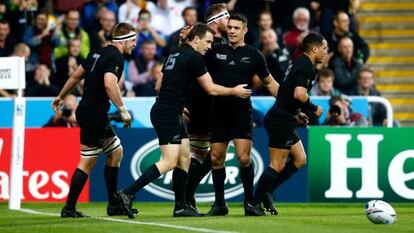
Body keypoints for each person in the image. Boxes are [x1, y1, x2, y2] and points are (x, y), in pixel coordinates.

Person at [115, 23, 252, 218]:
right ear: (196, 39)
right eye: (207, 41)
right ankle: (127, 193)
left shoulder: (175, 53)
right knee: (169, 161)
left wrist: (177, 104)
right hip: (168, 113)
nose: (210, 46)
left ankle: (181, 206)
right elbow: (211, 89)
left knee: (185, 158)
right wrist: (234, 91)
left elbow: (159, 86)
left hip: (169, 110)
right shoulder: (194, 57)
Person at [52, 22, 136, 218]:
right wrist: (123, 110)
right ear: (123, 41)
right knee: (87, 162)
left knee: (116, 152)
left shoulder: (96, 53)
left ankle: (113, 205)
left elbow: (75, 77)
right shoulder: (116, 57)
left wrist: (60, 96)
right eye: (133, 41)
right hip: (95, 114)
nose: (134, 45)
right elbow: (109, 83)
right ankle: (69, 208)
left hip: (90, 111)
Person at [206, 13, 279, 216]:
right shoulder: (214, 52)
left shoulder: (254, 55)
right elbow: (200, 76)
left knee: (244, 158)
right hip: (218, 112)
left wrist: (290, 105)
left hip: (241, 113)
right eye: (229, 27)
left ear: (245, 30)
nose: (231, 31)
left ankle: (250, 203)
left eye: (236, 28)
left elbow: (271, 84)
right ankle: (220, 204)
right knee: (215, 159)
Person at [251, 33, 326, 215]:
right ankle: (253, 203)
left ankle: (267, 192)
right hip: (280, 119)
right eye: (324, 48)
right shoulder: (307, 66)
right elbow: (299, 94)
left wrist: (298, 113)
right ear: (315, 48)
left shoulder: (298, 61)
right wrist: (313, 108)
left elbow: (287, 92)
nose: (325, 52)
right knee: (277, 165)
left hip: (285, 116)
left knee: (300, 160)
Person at [183, 3, 230, 213]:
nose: (230, 21)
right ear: (218, 21)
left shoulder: (223, 42)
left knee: (214, 154)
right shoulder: (203, 43)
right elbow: (184, 69)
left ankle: (187, 194)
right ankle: (186, 195)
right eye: (227, 17)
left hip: (218, 106)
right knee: (201, 154)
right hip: (201, 104)